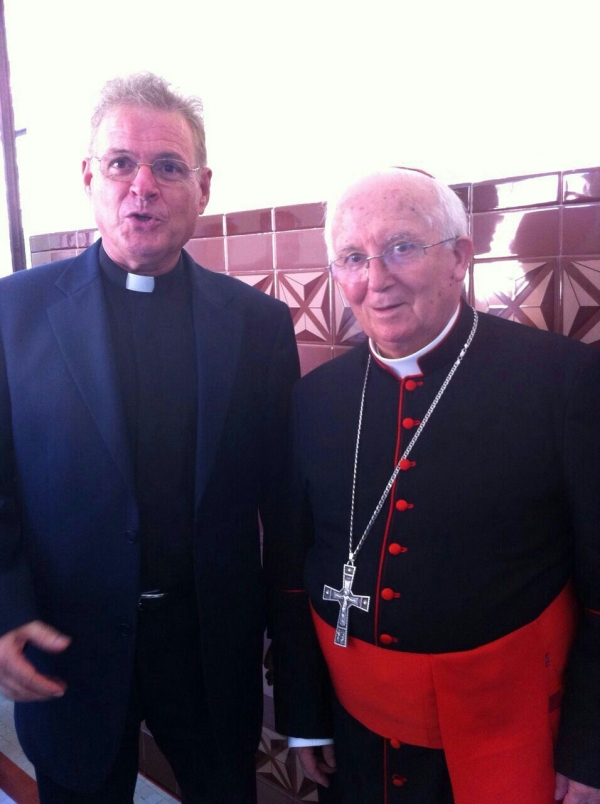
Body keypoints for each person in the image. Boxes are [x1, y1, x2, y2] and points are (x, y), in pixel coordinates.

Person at [0, 72, 299, 804]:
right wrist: (3, 610)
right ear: (88, 178)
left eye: (168, 167)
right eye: (121, 163)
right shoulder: (14, 313)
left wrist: (291, 657)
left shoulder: (257, 325)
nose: (144, 185)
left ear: (202, 187)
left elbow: (286, 506)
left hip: (210, 644)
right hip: (68, 641)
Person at [271, 167, 600, 804]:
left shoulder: (562, 382)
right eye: (353, 258)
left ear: (459, 258)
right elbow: (293, 566)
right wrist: (306, 717)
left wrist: (591, 747)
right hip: (358, 732)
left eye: (401, 247)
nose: (377, 278)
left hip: (516, 728)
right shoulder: (315, 399)